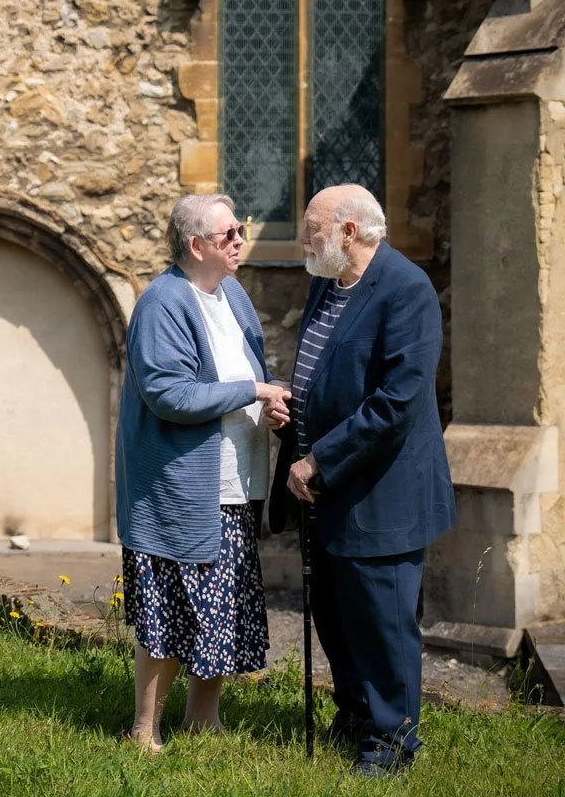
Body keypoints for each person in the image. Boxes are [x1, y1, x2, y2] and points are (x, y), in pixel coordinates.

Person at [268, 183, 454, 778]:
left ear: (349, 232)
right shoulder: (326, 284)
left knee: (382, 623)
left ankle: (393, 742)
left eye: (312, 228)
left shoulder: (406, 290)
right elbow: (329, 378)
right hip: (325, 492)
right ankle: (355, 717)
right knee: (334, 614)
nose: (303, 238)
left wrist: (319, 458)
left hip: (382, 494)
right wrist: (292, 417)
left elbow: (396, 402)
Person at [114, 193, 289, 753]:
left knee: (219, 607)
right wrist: (253, 390)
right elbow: (168, 393)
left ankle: (203, 718)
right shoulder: (163, 303)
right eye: (230, 233)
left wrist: (268, 405)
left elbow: (245, 373)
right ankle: (145, 728)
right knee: (170, 611)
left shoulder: (231, 294)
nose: (241, 239)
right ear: (196, 246)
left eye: (242, 227)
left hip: (233, 483)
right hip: (180, 489)